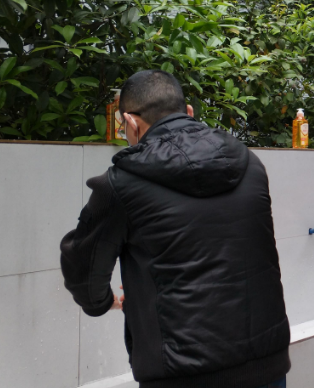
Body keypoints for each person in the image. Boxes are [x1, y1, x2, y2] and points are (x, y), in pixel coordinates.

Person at [60, 70, 291, 388]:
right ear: (189, 112)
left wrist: (101, 302)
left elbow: (82, 267)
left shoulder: (122, 184)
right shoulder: (249, 164)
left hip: (183, 373)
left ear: (130, 122)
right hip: (267, 365)